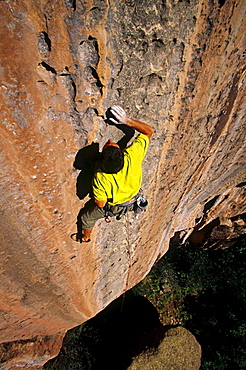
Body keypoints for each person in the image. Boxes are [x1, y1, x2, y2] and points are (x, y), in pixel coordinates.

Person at [72, 105, 154, 242]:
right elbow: (148, 132)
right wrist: (127, 121)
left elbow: (101, 204)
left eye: (109, 144)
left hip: (116, 206)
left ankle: (85, 238)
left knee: (86, 218)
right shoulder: (132, 156)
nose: (110, 141)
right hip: (134, 198)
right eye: (112, 144)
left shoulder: (100, 177)